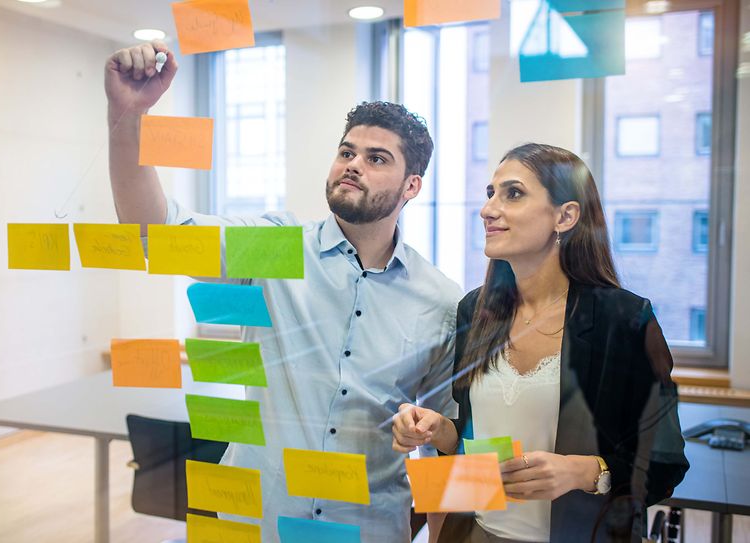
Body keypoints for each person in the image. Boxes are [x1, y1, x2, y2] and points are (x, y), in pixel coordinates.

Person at [105, 41, 461, 542]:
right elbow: (155, 234)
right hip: (256, 522)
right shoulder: (275, 247)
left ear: (411, 186)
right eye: (346, 152)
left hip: (368, 527)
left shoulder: (441, 300)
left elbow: (446, 439)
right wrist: (128, 117)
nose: (353, 165)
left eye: (376, 158)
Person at [392, 143, 689, 542]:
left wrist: (585, 472)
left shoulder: (624, 319)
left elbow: (665, 463)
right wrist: (441, 430)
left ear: (565, 216)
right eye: (490, 193)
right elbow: (479, 445)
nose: (488, 209)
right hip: (478, 532)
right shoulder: (474, 311)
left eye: (513, 193)